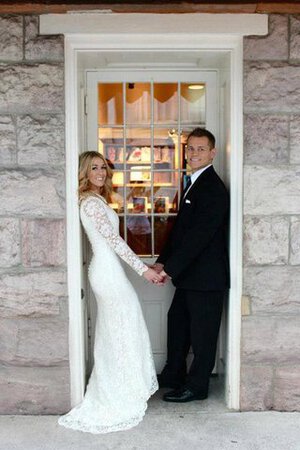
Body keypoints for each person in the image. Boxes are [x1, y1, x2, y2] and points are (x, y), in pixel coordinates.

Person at [59, 151, 162, 434]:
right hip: (106, 272)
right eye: (94, 168)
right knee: (121, 325)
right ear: (84, 172)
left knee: (120, 327)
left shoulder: (98, 200)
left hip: (108, 270)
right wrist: (144, 270)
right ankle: (118, 391)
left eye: (103, 167)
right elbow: (115, 242)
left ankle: (125, 385)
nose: (100, 172)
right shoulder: (91, 204)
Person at [153, 128, 230, 403]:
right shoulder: (194, 182)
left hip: (207, 279)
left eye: (200, 149)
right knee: (178, 325)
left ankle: (197, 387)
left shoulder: (212, 188)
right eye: (191, 148)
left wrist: (170, 269)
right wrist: (163, 260)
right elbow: (180, 231)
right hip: (189, 277)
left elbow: (198, 238)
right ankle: (173, 373)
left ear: (213, 152)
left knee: (202, 336)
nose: (194, 153)